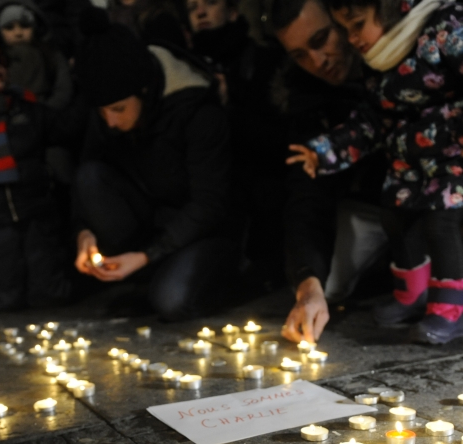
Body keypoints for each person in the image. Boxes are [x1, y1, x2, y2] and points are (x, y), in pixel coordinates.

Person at [288, 0, 463, 344]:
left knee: (441, 223)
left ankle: (451, 306)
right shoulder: (380, 61)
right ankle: (413, 292)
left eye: (358, 25)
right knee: (395, 217)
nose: (352, 38)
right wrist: (325, 151)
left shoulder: (445, 29)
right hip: (409, 161)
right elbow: (372, 120)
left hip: (452, 157)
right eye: (345, 30)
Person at [74, 8, 237, 321]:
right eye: (102, 111)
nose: (110, 121)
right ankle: (148, 277)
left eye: (118, 109)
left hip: (202, 232)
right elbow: (88, 169)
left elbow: (210, 205)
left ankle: (185, 277)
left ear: (145, 91)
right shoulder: (107, 113)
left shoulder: (196, 111)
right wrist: (83, 232)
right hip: (152, 226)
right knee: (90, 177)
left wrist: (147, 256)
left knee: (172, 300)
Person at [272, 0, 387, 344]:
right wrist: (308, 283)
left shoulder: (400, 65)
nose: (318, 61)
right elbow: (305, 193)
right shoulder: (307, 97)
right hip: (368, 206)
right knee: (325, 286)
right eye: (300, 55)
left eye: (321, 40)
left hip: (431, 199)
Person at [0, 38, 77, 309]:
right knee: (4, 299)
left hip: (36, 215)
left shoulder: (25, 109)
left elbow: (70, 129)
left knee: (49, 294)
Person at [186, 0, 287, 285]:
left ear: (232, 11)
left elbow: (277, 142)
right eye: (192, 6)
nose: (200, 12)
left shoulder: (261, 60)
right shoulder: (186, 67)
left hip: (259, 193)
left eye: (209, 2)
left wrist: (232, 102)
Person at [0, 0, 73, 110]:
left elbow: (63, 89)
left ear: (35, 27)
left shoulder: (51, 54)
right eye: (9, 27)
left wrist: (46, 111)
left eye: (25, 25)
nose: (18, 33)